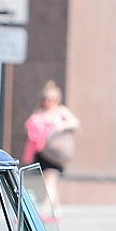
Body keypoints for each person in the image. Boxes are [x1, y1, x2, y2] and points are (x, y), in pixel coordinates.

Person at [20, 81, 80, 216]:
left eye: (52, 99)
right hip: (42, 153)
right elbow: (29, 125)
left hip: (57, 153)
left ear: (57, 100)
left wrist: (60, 125)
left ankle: (44, 211)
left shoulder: (61, 111)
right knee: (50, 182)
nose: (48, 102)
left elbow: (75, 123)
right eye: (46, 99)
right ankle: (57, 212)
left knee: (50, 182)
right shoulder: (39, 113)